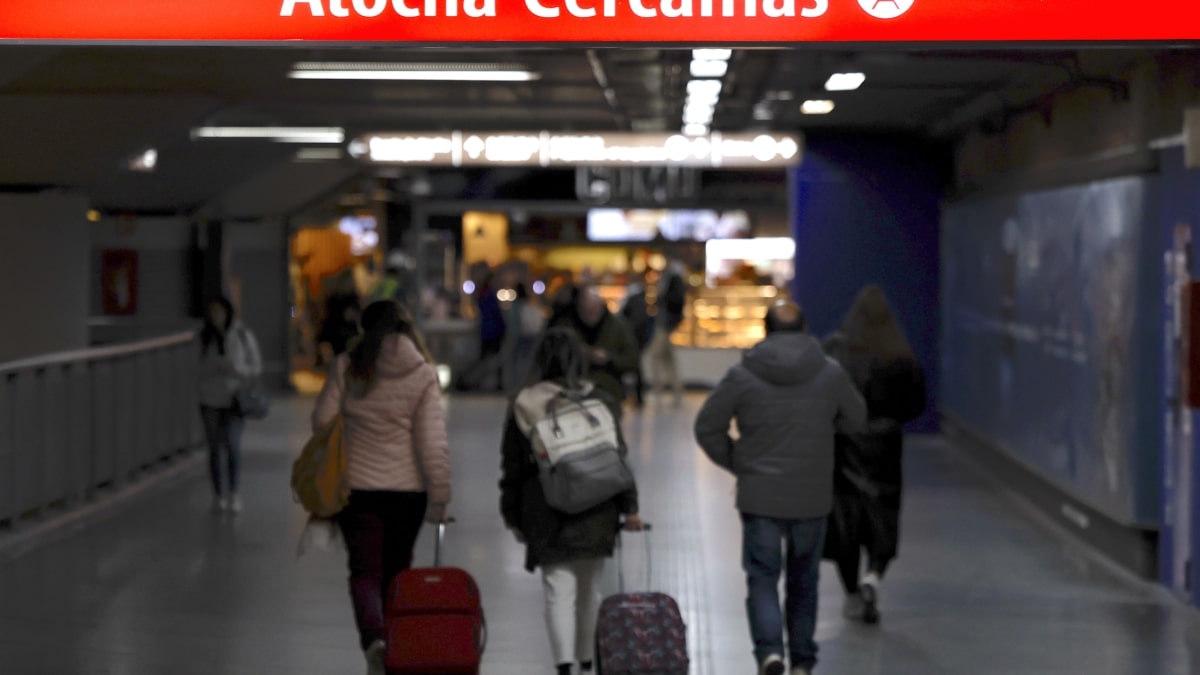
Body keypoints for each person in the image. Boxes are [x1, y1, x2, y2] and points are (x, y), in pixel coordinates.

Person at [694, 300, 867, 675]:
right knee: (805, 581)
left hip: (760, 496)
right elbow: (857, 418)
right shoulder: (830, 373)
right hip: (812, 496)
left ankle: (770, 655)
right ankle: (802, 662)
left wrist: (738, 462)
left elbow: (706, 426)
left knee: (762, 578)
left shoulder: (742, 374)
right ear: (805, 329)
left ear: (765, 329)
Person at [311, 300, 453, 675]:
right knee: (397, 571)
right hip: (409, 494)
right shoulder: (422, 373)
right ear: (406, 330)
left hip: (356, 488)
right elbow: (432, 441)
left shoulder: (348, 366)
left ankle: (375, 640)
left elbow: (322, 420)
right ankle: (395, 643)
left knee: (363, 572)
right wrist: (439, 496)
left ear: (365, 329)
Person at [499, 327, 644, 675]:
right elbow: (618, 457)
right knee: (589, 591)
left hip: (546, 508)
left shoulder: (524, 402)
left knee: (557, 590)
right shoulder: (600, 399)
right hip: (598, 508)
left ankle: (564, 665)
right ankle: (586, 661)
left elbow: (513, 466)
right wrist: (631, 508)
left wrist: (513, 515)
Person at [821, 285, 927, 625]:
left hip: (844, 444)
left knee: (845, 521)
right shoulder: (899, 354)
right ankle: (874, 576)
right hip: (885, 446)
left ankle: (852, 591)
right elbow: (916, 403)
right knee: (883, 517)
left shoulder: (835, 350)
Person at [197, 296, 262, 514]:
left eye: (220, 312)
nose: (216, 317)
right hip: (210, 398)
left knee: (232, 445)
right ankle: (218, 494)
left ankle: (234, 492)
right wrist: (212, 368)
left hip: (235, 398)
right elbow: (192, 369)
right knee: (214, 448)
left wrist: (234, 369)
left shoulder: (242, 335)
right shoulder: (202, 338)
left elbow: (255, 367)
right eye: (212, 312)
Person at [550, 285, 639, 414]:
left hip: (608, 395)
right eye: (585, 311)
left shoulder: (618, 327)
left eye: (594, 310)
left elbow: (632, 360)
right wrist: (577, 354)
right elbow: (552, 357)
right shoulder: (566, 327)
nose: (590, 316)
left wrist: (608, 359)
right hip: (572, 396)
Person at [645, 262, 687, 405]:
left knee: (655, 355)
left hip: (664, 326)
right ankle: (677, 390)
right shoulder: (674, 280)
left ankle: (657, 388)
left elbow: (668, 303)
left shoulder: (671, 281)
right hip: (667, 325)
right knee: (668, 359)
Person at [619, 274, 656, 408]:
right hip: (636, 339)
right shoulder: (639, 298)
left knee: (634, 367)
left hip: (633, 339)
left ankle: (636, 397)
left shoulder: (634, 298)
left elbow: (633, 321)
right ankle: (636, 397)